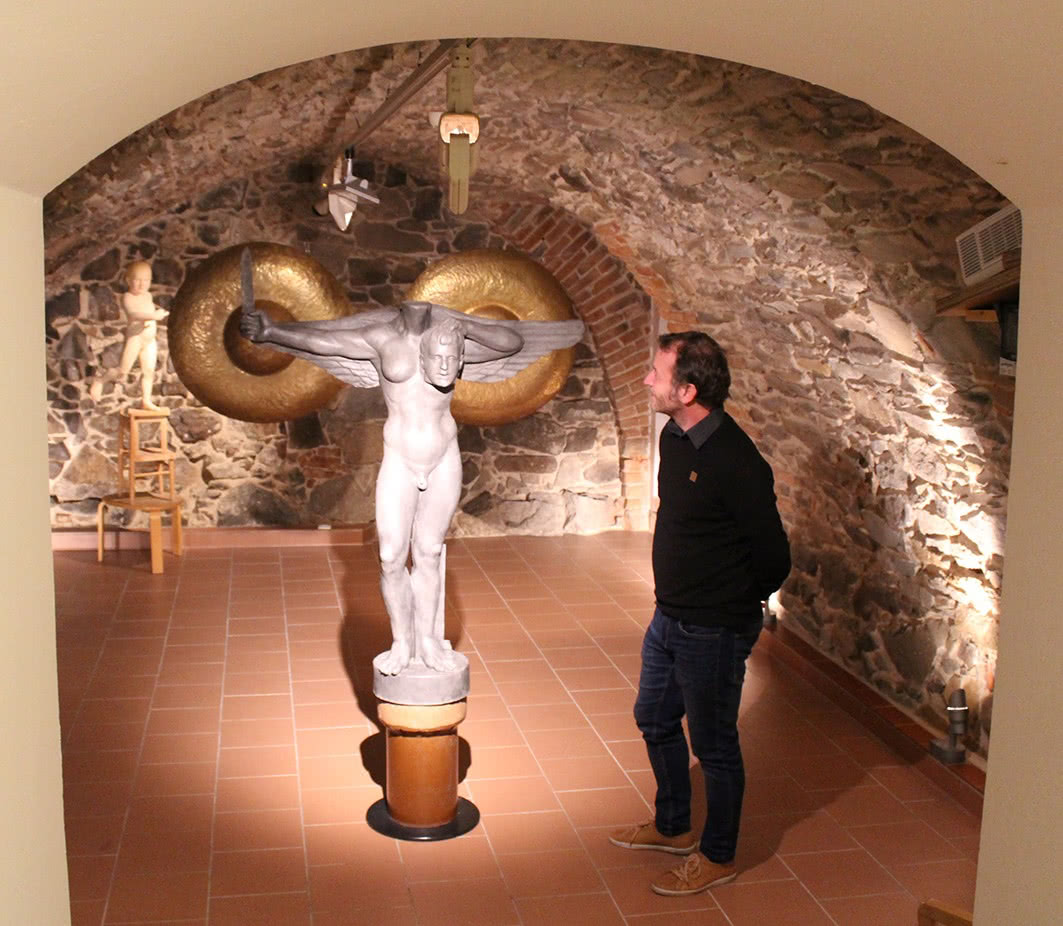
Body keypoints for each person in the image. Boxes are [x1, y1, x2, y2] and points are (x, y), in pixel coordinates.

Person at [240, 297, 583, 675]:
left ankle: (429, 642)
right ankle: (402, 642)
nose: (445, 367)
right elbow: (328, 342)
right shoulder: (381, 339)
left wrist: (466, 326)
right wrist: (273, 332)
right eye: (439, 360)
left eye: (452, 361)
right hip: (400, 460)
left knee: (429, 552)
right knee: (390, 557)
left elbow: (512, 342)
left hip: (442, 459)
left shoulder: (451, 341)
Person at [610, 331, 790, 896]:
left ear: (687, 391)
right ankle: (672, 826)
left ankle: (717, 855)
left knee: (713, 746)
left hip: (712, 627)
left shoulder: (737, 462)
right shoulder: (675, 437)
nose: (647, 380)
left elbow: (774, 559)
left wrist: (730, 606)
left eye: (656, 374)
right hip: (669, 616)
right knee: (654, 718)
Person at [90, 260, 169, 408]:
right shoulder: (127, 297)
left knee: (149, 371)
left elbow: (148, 309)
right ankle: (100, 380)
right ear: (128, 280)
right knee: (122, 372)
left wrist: (159, 313)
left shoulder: (147, 296)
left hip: (149, 340)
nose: (142, 284)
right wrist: (153, 316)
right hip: (136, 338)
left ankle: (146, 400)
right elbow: (134, 314)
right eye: (137, 280)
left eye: (146, 280)